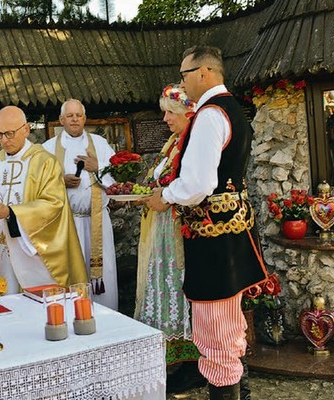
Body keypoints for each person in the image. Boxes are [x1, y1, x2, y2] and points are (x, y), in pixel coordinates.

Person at [144, 46, 267, 400]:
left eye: (184, 75)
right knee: (227, 329)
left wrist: (164, 197)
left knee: (215, 331)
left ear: (203, 72)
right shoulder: (232, 110)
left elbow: (198, 185)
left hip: (215, 241)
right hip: (231, 234)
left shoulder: (211, 114)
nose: (183, 82)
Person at [0, 105, 88, 293]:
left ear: (26, 129)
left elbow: (53, 204)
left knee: (40, 305)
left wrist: (11, 212)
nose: (5, 141)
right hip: (1, 251)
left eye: (10, 133)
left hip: (35, 253)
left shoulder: (45, 162)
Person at [134, 84, 206, 394]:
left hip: (178, 232)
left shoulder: (192, 145)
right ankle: (171, 359)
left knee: (179, 288)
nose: (165, 118)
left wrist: (162, 195)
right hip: (160, 232)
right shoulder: (173, 143)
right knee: (162, 287)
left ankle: (193, 365)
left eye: (169, 112)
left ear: (187, 113)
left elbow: (189, 188)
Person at [42, 99, 119, 310]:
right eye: (70, 116)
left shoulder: (100, 144)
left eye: (78, 115)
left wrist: (98, 167)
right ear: (61, 120)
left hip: (98, 221)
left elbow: (117, 180)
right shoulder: (48, 149)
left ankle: (106, 316)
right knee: (70, 271)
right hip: (66, 223)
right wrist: (60, 181)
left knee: (104, 271)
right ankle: (71, 314)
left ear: (84, 119)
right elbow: (38, 185)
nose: (74, 119)